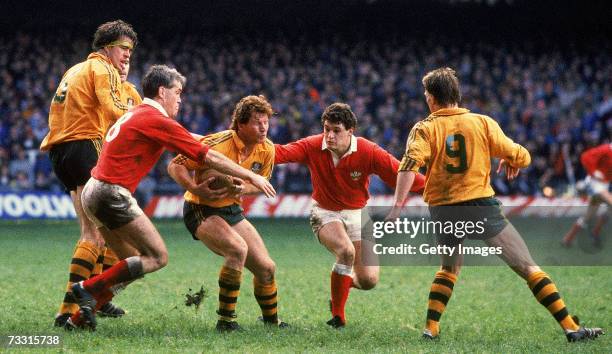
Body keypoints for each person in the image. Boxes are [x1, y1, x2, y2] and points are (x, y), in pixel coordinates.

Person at [388, 67, 603, 342]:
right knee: (527, 266)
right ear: (457, 94)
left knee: (449, 268)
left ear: (431, 98)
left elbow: (409, 166)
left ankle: (431, 328)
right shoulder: (482, 123)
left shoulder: (424, 128)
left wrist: (397, 207)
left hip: (443, 209)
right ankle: (571, 328)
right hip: (479, 205)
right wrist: (512, 158)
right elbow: (523, 156)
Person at [65, 65, 276, 331]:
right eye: (177, 92)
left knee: (132, 263)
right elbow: (206, 155)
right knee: (157, 257)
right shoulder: (157, 120)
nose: (180, 98)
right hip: (111, 192)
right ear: (162, 91)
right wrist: (253, 177)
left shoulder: (139, 114)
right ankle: (86, 288)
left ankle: (80, 317)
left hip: (93, 191)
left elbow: (192, 140)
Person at [274, 103, 425, 328]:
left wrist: (435, 190)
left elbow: (402, 173)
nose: (329, 135)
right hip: (324, 212)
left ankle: (341, 288)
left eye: (336, 130)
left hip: (358, 214)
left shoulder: (368, 151)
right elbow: (279, 153)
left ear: (350, 131)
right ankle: (338, 317)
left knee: (368, 280)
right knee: (346, 252)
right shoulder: (313, 145)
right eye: (326, 129)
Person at [39, 20, 137, 327]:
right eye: (124, 48)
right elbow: (114, 110)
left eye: (131, 52)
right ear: (107, 47)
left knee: (102, 228)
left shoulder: (75, 70)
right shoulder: (103, 70)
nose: (127, 57)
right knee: (97, 234)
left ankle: (95, 299)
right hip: (84, 148)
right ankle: (71, 309)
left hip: (62, 151)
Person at [168, 95, 288, 332]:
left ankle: (271, 321)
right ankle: (225, 322)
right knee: (237, 249)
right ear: (240, 124)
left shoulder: (268, 150)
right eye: (256, 122)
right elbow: (175, 164)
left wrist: (245, 188)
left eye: (266, 122)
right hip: (200, 208)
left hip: (231, 210)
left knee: (266, 268)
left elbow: (261, 184)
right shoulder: (216, 142)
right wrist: (193, 187)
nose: (264, 127)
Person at [87, 61, 145, 319]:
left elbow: (144, 120)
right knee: (97, 238)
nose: (124, 65)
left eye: (129, 60)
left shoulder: (131, 93)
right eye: (121, 59)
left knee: (116, 240)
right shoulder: (100, 86)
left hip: (119, 171)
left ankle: (97, 298)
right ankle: (78, 302)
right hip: (98, 163)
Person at [562, 143, 611, 247]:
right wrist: (593, 172)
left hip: (604, 185)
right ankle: (595, 232)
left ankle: (568, 238)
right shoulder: (606, 149)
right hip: (595, 184)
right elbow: (585, 156)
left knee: (589, 215)